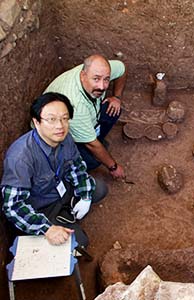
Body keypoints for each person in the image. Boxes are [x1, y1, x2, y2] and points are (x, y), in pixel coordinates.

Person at [1, 93, 107, 247]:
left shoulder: (65, 137)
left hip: (62, 190)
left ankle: (67, 211)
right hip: (42, 207)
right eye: (51, 119)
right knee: (80, 242)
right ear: (36, 122)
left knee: (100, 189)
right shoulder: (20, 157)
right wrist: (47, 228)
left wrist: (84, 195)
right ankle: (59, 218)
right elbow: (13, 206)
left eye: (64, 118)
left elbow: (76, 165)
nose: (60, 126)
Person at [44, 54, 127, 179]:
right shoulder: (75, 105)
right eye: (96, 79)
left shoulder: (99, 70)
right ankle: (89, 140)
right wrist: (113, 167)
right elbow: (91, 144)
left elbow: (122, 69)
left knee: (114, 109)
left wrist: (116, 97)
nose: (102, 86)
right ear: (83, 76)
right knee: (93, 160)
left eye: (106, 79)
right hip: (57, 135)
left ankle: (93, 136)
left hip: (89, 114)